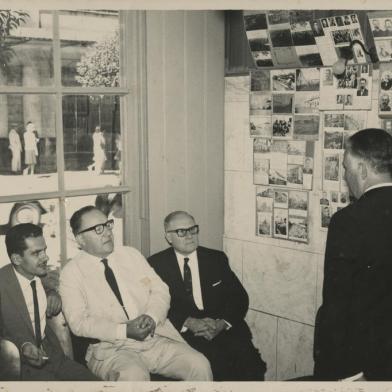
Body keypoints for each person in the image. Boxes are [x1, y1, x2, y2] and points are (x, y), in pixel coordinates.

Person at [60, 206, 212, 382]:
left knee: (199, 364)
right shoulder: (71, 272)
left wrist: (152, 317)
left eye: (108, 225)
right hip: (111, 349)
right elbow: (78, 322)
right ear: (80, 239)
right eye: (98, 229)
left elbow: (160, 289)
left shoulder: (130, 254)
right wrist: (124, 330)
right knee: (133, 376)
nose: (107, 232)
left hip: (155, 337)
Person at [148, 211, 267, 381]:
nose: (189, 236)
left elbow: (239, 297)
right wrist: (188, 322)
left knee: (251, 366)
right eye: (182, 232)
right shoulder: (156, 265)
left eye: (193, 229)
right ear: (168, 237)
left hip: (222, 329)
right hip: (185, 334)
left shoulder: (215, 259)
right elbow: (154, 305)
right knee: (210, 366)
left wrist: (222, 323)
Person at [314, 128, 392, 380]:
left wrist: (336, 367)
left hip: (362, 361)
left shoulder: (348, 221)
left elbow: (337, 302)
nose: (346, 176)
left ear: (363, 170)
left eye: (346, 168)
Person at [0, 223, 99, 381]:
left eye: (44, 250)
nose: (45, 257)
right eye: (36, 253)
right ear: (17, 259)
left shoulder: (42, 274)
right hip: (18, 369)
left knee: (98, 385)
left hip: (54, 357)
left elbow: (48, 284)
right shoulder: (3, 284)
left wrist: (53, 293)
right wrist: (23, 346)